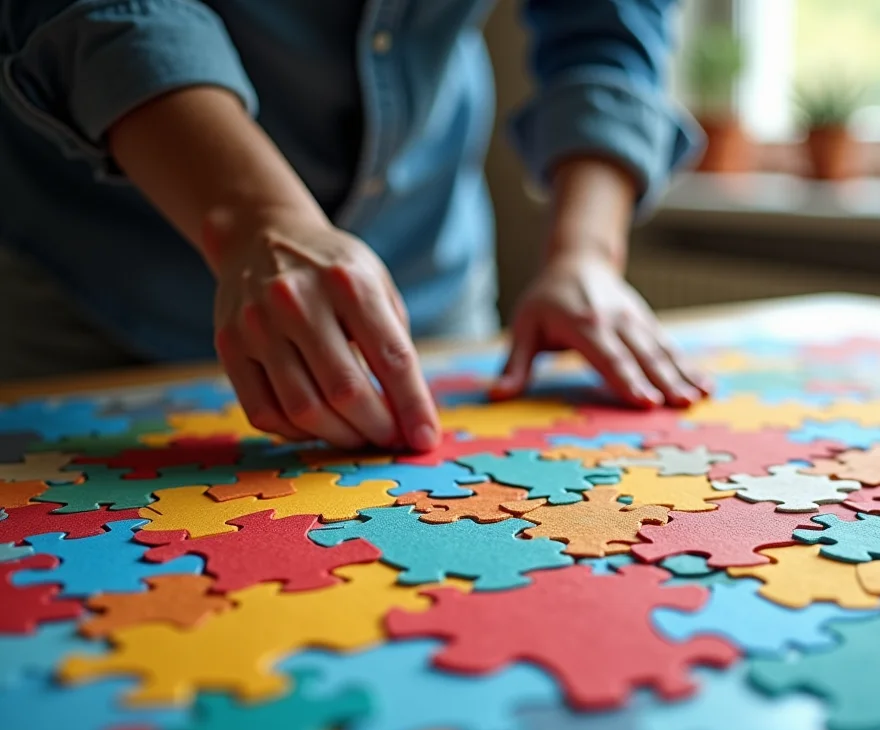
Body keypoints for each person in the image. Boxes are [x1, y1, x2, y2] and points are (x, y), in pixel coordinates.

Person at [0, 0, 711, 453]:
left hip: (427, 280)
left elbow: (610, 21)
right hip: (98, 288)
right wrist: (255, 216)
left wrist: (585, 252)